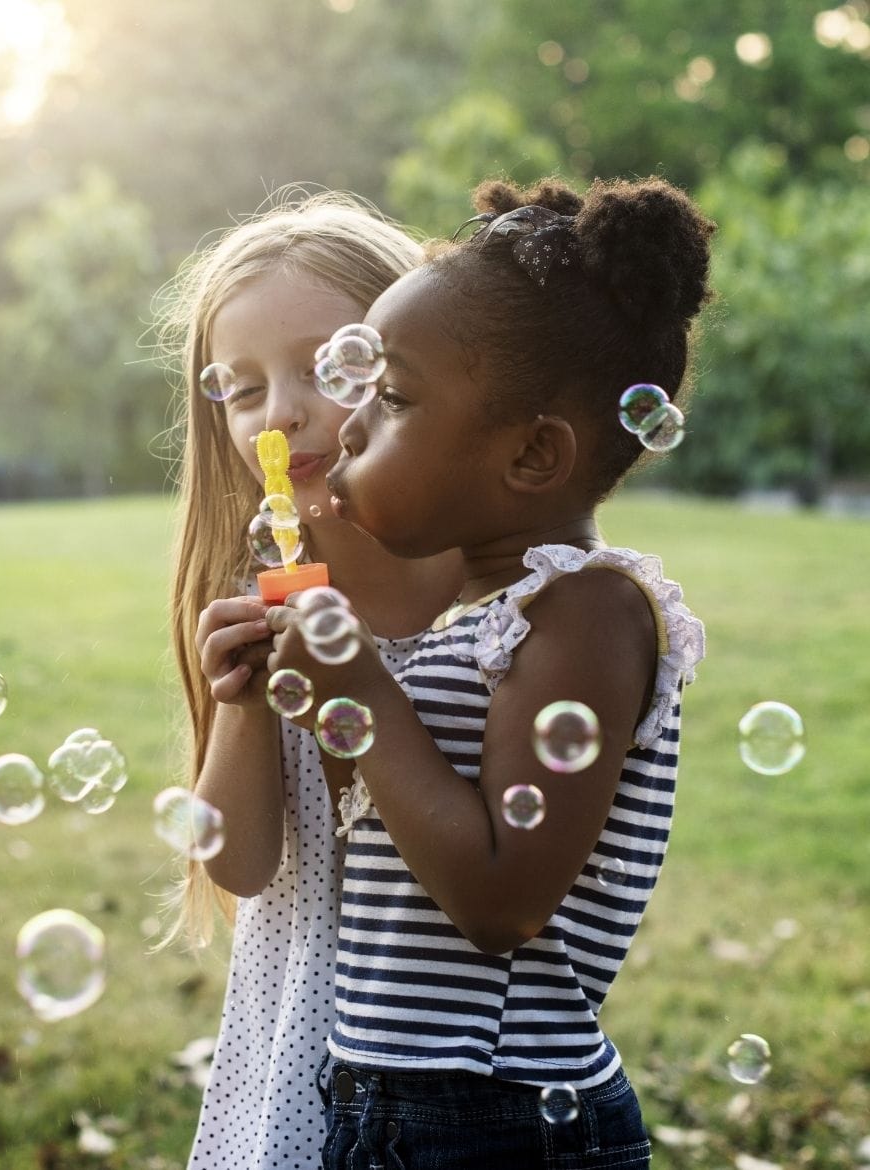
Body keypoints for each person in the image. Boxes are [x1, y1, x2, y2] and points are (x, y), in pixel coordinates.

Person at [263, 176, 713, 1170]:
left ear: (532, 456)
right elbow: (403, 849)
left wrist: (365, 696)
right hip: (390, 1105)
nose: (345, 427)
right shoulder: (476, 624)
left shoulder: (586, 611)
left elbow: (502, 899)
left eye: (392, 397)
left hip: (496, 1119)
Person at [155, 190, 462, 1169]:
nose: (282, 412)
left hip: (446, 1059)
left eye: (324, 366)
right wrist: (245, 706)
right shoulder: (258, 599)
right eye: (243, 389)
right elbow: (239, 866)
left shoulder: (485, 593)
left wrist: (357, 685)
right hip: (292, 1043)